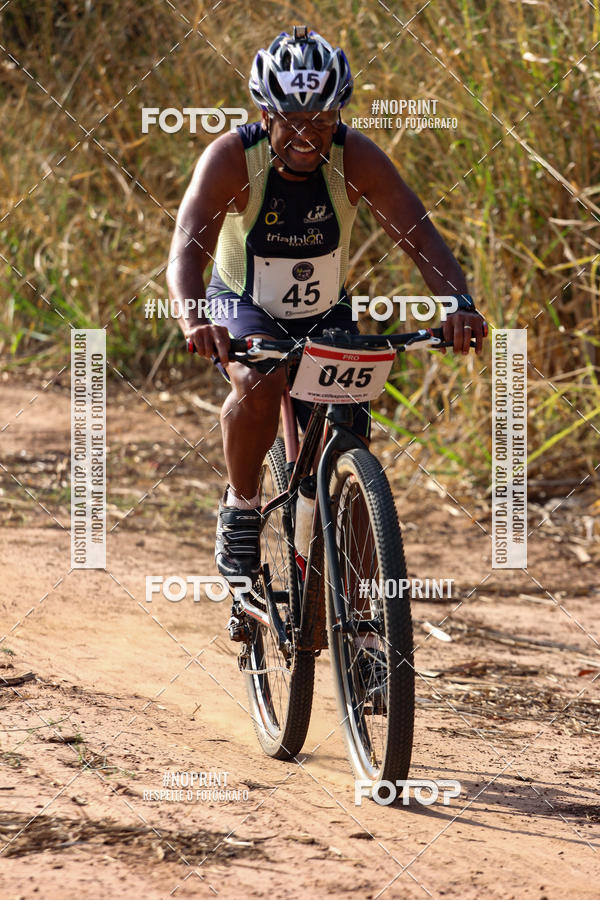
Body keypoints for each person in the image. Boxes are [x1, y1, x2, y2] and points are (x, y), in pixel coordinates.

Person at [167, 26, 486, 582]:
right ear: (264, 113)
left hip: (325, 311)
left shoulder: (356, 156)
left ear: (339, 114)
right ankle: (241, 509)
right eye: (292, 119)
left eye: (322, 118)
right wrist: (196, 319)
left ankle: (361, 619)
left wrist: (457, 303)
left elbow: (418, 234)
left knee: (348, 444)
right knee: (258, 382)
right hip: (240, 305)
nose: (307, 135)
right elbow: (185, 251)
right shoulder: (230, 159)